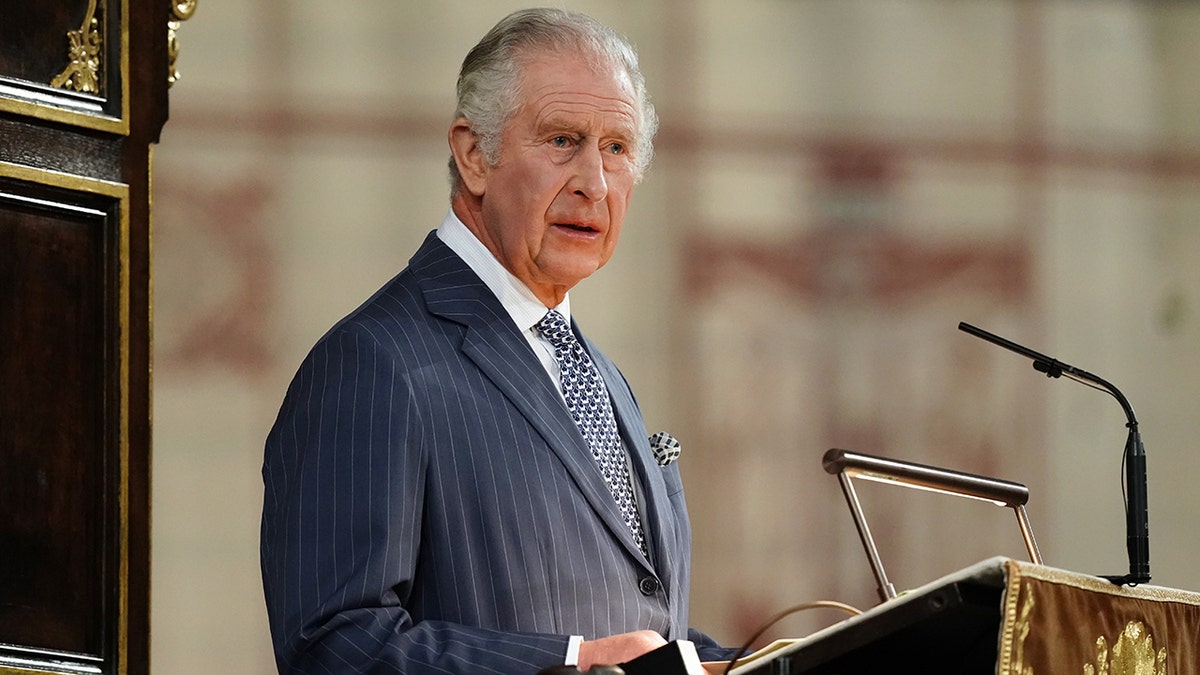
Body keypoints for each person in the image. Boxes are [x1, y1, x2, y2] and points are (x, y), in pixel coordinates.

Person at [261, 8, 732, 673]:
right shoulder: (375, 363)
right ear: (474, 154)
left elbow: (636, 623)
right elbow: (334, 643)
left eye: (617, 148)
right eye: (563, 139)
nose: (594, 182)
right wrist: (570, 661)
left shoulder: (599, 373)